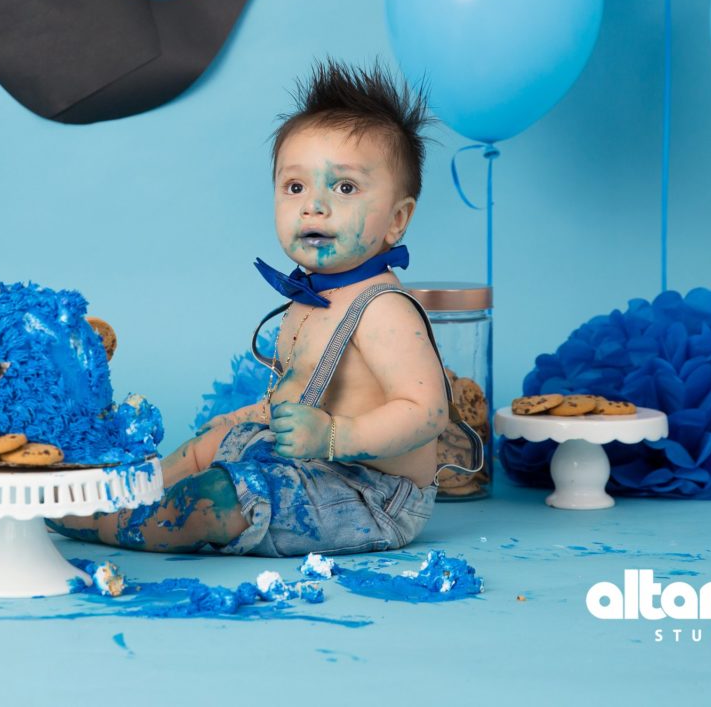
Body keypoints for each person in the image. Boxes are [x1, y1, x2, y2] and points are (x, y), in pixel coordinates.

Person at [55, 59, 465, 555]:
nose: (313, 205)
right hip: (311, 459)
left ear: (397, 220)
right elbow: (294, 393)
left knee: (219, 496)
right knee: (210, 445)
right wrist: (242, 419)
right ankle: (124, 495)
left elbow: (427, 412)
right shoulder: (311, 297)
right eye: (295, 187)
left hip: (371, 494)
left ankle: (127, 524)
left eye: (344, 187)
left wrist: (336, 436)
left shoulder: (383, 309)